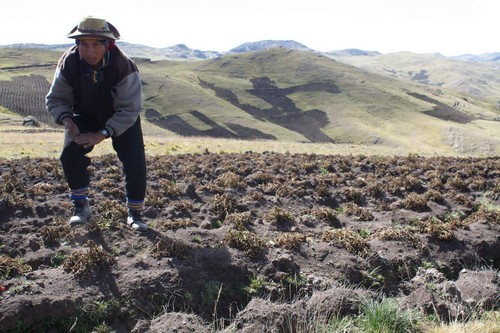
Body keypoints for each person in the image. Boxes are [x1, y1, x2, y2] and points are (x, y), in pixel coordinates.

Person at [46, 16, 148, 231]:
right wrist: (67, 121)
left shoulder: (123, 65)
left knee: (135, 162)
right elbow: (57, 98)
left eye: (95, 45)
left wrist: (103, 133)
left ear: (107, 44)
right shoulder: (69, 62)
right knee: (69, 154)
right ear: (77, 44)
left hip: (120, 117)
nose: (89, 52)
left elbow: (130, 108)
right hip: (83, 115)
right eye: (83, 44)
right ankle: (81, 206)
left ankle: (135, 214)